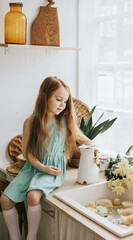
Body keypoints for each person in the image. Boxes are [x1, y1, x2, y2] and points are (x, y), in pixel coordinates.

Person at [0, 76, 98, 240]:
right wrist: (41, 167)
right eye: (59, 99)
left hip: (53, 170)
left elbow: (83, 139)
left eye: (65, 101)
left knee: (33, 196)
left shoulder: (65, 121)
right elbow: (28, 153)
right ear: (44, 97)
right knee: (5, 200)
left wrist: (95, 148)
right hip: (33, 167)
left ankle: (32, 237)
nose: (63, 105)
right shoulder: (30, 122)